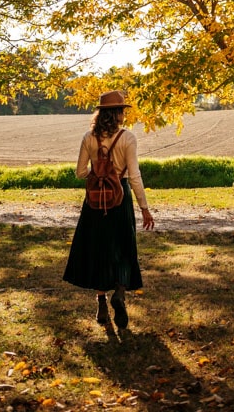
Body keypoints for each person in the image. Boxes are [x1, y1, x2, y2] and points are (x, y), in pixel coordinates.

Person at [63, 90, 155, 329]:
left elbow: (81, 172)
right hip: (119, 197)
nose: (124, 114)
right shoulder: (128, 138)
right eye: (122, 110)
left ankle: (101, 304)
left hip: (94, 202)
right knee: (123, 248)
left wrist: (98, 172)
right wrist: (144, 208)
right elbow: (134, 176)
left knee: (98, 250)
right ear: (117, 113)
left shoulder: (88, 137)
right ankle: (120, 293)